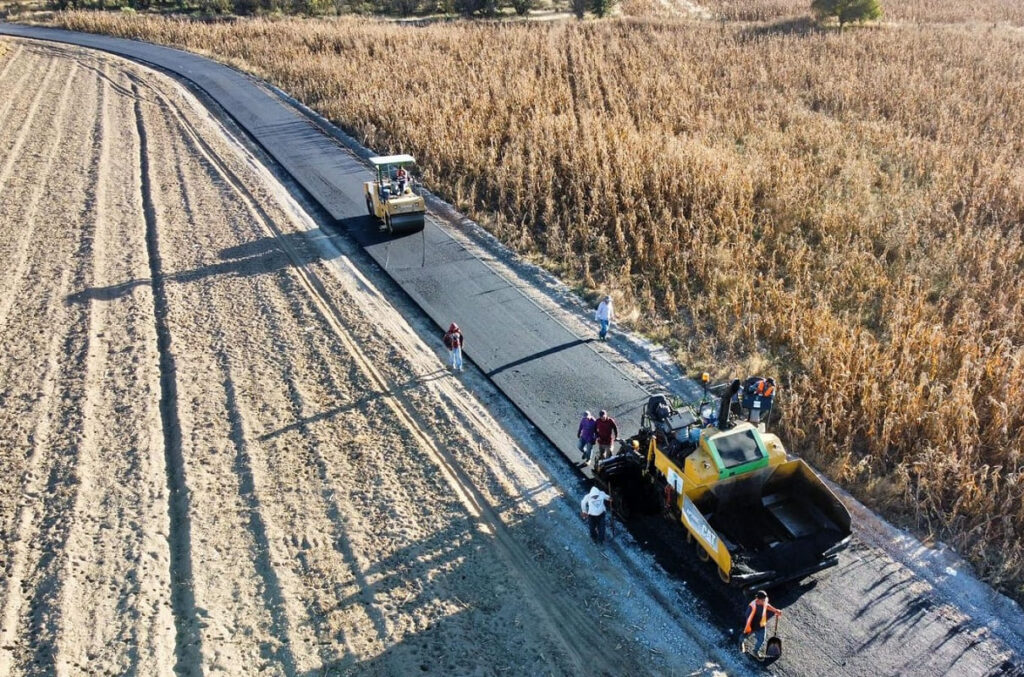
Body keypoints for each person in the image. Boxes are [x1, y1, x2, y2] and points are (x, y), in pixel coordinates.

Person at [742, 590, 782, 660]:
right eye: (762, 600)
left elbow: (767, 605)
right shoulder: (752, 606)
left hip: (761, 625)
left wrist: (775, 610)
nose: (764, 601)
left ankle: (755, 651)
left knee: (761, 640)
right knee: (745, 635)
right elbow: (747, 617)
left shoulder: (763, 601)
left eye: (764, 600)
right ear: (758, 599)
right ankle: (741, 642)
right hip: (752, 626)